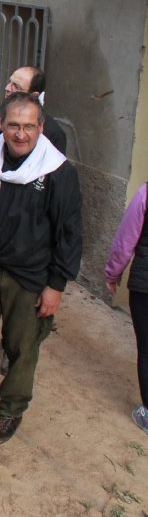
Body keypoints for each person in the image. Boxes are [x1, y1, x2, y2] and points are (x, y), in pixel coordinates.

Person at [0, 91, 82, 444]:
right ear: (1, 125)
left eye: (29, 126)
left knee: (22, 347)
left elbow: (70, 234)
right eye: (13, 125)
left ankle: (11, 408)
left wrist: (55, 286)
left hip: (29, 277)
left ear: (41, 127)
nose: (21, 134)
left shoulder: (59, 173)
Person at [105, 184, 148, 434]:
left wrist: (113, 272)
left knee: (146, 351)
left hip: (145, 287)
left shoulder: (145, 194)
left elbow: (125, 239)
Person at [0, 65, 67, 154]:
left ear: (34, 96)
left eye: (16, 86)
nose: (7, 88)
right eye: (10, 82)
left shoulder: (53, 134)